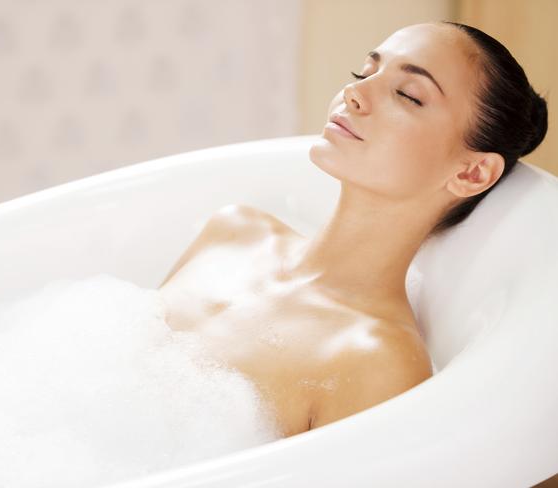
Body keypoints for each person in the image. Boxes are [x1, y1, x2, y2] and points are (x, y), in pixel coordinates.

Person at [157, 20, 549, 438]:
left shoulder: (376, 363)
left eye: (408, 95)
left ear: (472, 173)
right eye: (364, 73)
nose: (355, 93)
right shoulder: (233, 233)